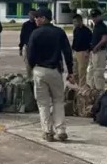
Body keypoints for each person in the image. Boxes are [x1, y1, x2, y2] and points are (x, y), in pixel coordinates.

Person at [27, 8, 73, 142]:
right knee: (58, 100)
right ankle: (61, 130)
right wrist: (70, 71)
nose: (35, 19)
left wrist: (31, 69)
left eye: (37, 17)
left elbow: (30, 56)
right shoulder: (59, 32)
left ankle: (47, 131)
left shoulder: (35, 34)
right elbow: (67, 52)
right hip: (55, 71)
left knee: (43, 103)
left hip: (40, 70)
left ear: (44, 18)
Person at [86, 9, 107, 90]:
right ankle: (91, 89)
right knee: (91, 72)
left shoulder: (102, 26)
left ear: (99, 16)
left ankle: (99, 92)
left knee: (98, 73)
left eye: (95, 17)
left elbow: (105, 39)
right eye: (92, 17)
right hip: (94, 52)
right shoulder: (96, 26)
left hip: (99, 52)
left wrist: (96, 47)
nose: (93, 19)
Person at [71, 14, 92, 86]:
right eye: (73, 21)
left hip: (83, 52)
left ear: (80, 21)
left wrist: (88, 51)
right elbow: (74, 40)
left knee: (81, 72)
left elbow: (91, 42)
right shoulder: (75, 30)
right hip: (75, 52)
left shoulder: (87, 31)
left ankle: (82, 90)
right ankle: (78, 87)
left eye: (75, 21)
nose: (74, 23)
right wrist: (72, 50)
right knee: (74, 72)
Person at [18, 9, 37, 78]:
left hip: (37, 47)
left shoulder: (38, 25)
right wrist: (20, 47)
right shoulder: (25, 25)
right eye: (30, 14)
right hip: (28, 46)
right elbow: (22, 36)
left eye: (33, 14)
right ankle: (29, 78)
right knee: (28, 63)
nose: (31, 16)